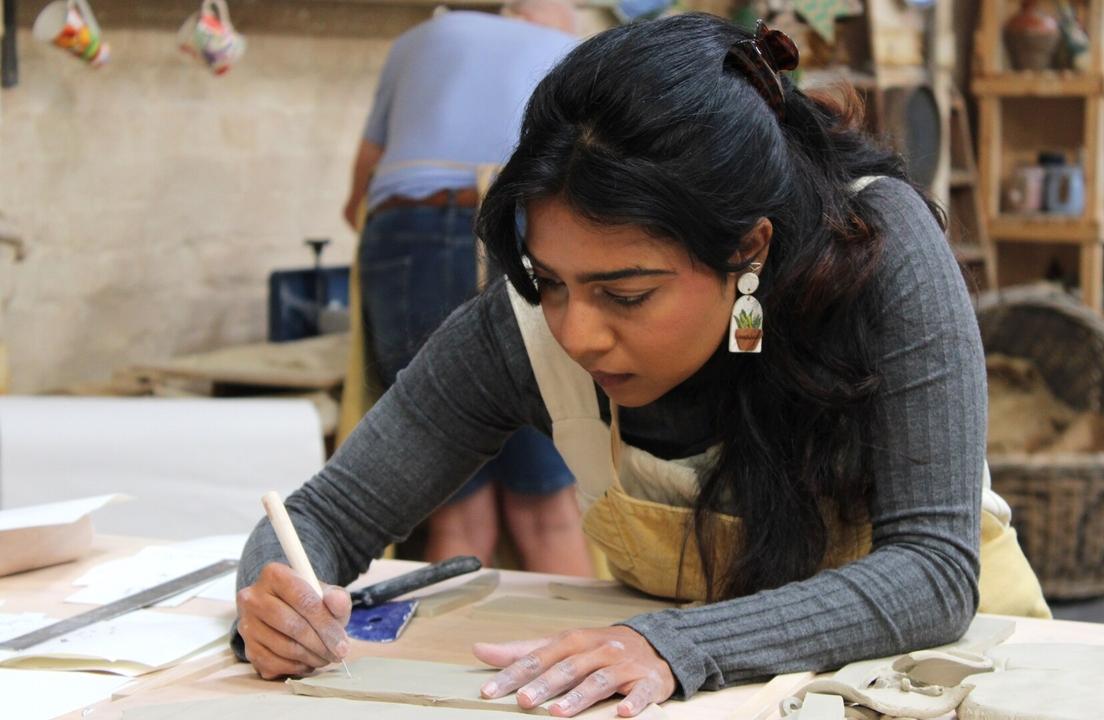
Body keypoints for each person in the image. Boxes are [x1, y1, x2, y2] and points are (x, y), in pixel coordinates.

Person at [236, 13, 1051, 718]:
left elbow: (934, 572)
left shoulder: (879, 252)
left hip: (963, 679)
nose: (578, 333)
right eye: (551, 281)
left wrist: (674, 642)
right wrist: (275, 601)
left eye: (624, 293)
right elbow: (322, 517)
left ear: (748, 248)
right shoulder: (525, 326)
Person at [339, 0, 591, 574]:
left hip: (410, 222)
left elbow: (357, 198)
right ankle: (584, 658)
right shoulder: (575, 57)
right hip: (529, 229)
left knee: (455, 502)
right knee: (547, 507)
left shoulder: (424, 37)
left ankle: (453, 660)